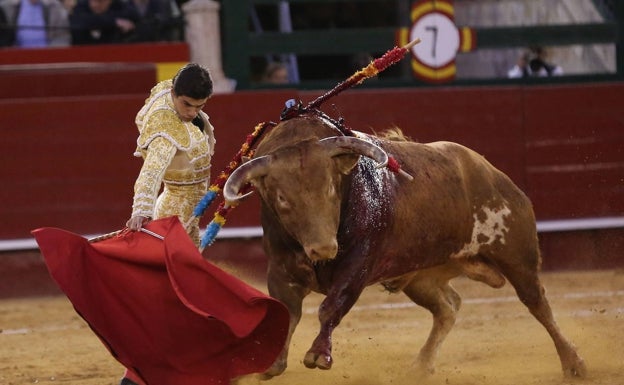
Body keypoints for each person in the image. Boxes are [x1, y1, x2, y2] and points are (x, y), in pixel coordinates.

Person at [121, 63, 215, 385]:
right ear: (175, 93)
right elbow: (149, 174)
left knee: (175, 295)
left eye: (199, 107)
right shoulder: (166, 125)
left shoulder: (169, 90)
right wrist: (141, 210)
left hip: (183, 211)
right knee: (173, 297)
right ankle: (137, 375)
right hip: (175, 214)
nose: (191, 113)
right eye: (186, 104)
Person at [0, 0, 71, 47]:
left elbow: (62, 37)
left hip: (48, 56)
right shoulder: (7, 7)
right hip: (17, 57)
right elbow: (5, 39)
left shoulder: (54, 7)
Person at [69, 0, 139, 44]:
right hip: (83, 52)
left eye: (100, 1)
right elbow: (79, 21)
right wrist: (114, 21)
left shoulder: (120, 6)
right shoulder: (81, 6)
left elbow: (134, 16)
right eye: (92, 1)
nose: (94, 5)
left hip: (113, 51)